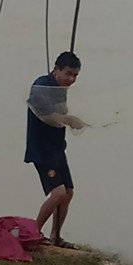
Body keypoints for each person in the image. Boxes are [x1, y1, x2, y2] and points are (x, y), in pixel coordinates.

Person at [25, 51, 88, 249]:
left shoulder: (60, 89)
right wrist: (69, 119)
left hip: (57, 149)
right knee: (58, 192)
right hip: (42, 150)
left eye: (75, 76)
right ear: (57, 69)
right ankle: (33, 233)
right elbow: (48, 117)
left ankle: (55, 237)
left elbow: (60, 114)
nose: (71, 79)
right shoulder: (41, 86)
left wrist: (71, 119)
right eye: (68, 73)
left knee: (68, 192)